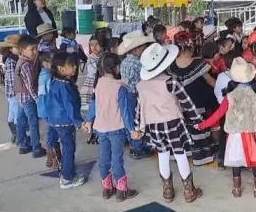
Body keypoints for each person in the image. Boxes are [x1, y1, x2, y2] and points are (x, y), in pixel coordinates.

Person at [196, 58, 256, 198]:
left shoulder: (230, 96)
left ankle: (237, 190)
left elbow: (217, 115)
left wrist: (202, 125)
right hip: (253, 133)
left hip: (235, 135)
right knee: (255, 161)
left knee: (236, 161)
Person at [133, 43, 204, 203]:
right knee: (180, 155)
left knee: (162, 156)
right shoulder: (170, 82)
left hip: (154, 127)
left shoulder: (141, 86)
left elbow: (139, 107)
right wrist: (197, 120)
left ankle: (167, 191)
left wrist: (137, 127)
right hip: (173, 124)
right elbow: (187, 102)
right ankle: (189, 191)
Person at [83, 52, 138, 201]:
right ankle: (122, 190)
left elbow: (93, 105)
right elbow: (126, 113)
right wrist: (132, 130)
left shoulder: (98, 84)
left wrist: (88, 121)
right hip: (116, 129)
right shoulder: (120, 88)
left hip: (101, 129)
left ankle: (107, 188)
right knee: (117, 159)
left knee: (104, 157)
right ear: (116, 68)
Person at [167, 31, 219, 166]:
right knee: (198, 127)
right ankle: (201, 156)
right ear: (191, 47)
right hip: (197, 103)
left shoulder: (170, 66)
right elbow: (210, 82)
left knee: (183, 127)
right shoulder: (199, 64)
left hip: (178, 103)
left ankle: (185, 152)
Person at [43, 53, 87, 189]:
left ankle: (62, 168)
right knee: (69, 149)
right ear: (61, 69)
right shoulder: (66, 87)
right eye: (71, 65)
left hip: (53, 120)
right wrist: (80, 123)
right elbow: (70, 106)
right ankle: (67, 178)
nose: (75, 68)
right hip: (65, 122)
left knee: (56, 144)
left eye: (74, 65)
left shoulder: (54, 82)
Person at [118, 31, 156, 160]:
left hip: (126, 93)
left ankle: (134, 144)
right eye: (143, 48)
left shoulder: (124, 61)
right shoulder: (138, 63)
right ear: (137, 49)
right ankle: (137, 147)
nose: (145, 50)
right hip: (134, 94)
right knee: (136, 119)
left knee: (129, 118)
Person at [14, 35, 46, 158]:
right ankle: (36, 148)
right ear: (22, 50)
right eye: (32, 49)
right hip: (28, 98)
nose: (35, 52)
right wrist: (37, 100)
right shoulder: (26, 65)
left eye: (36, 49)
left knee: (21, 120)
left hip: (20, 96)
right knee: (33, 123)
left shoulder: (21, 60)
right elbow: (29, 86)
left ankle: (23, 145)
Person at [36, 51, 61, 170]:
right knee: (53, 134)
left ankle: (50, 158)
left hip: (44, 109)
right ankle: (55, 158)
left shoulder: (42, 75)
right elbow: (52, 94)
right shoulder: (48, 76)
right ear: (46, 63)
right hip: (49, 109)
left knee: (50, 133)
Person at [0, 35, 23, 144]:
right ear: (11, 49)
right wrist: (19, 92)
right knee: (18, 113)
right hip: (13, 92)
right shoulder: (12, 62)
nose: (20, 50)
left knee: (12, 113)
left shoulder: (10, 60)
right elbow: (13, 80)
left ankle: (15, 135)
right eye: (18, 48)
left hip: (10, 92)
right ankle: (19, 136)